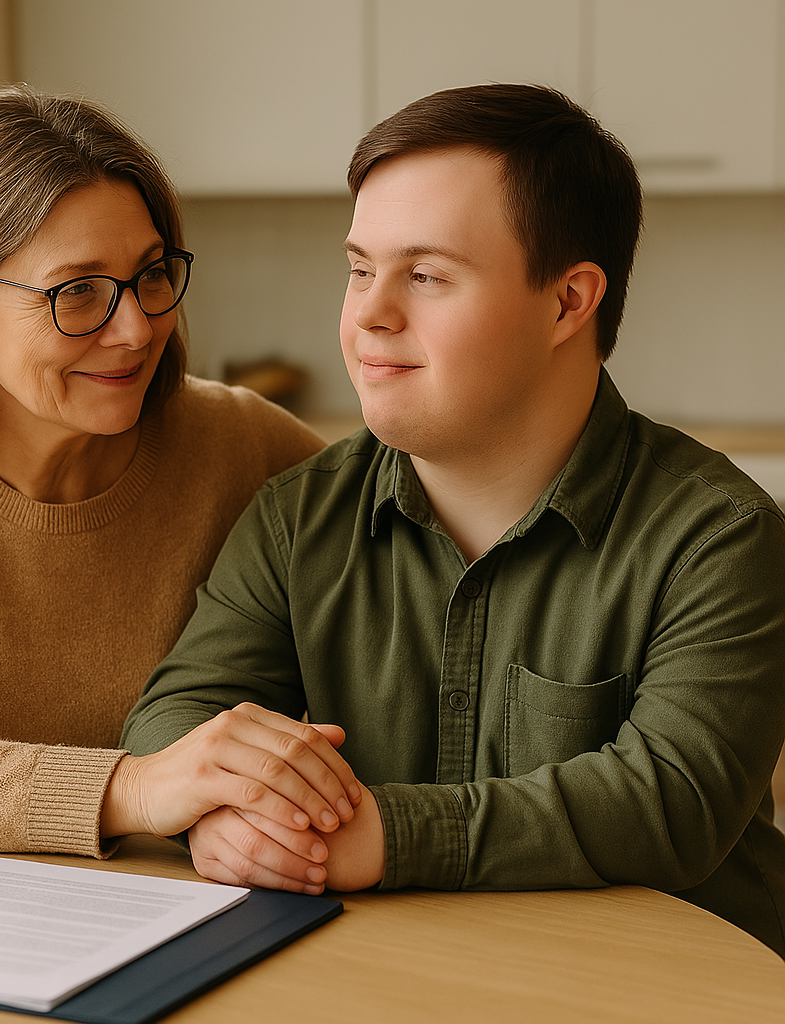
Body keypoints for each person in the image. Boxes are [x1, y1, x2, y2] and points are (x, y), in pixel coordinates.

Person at [121, 83, 785, 955]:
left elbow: (671, 800)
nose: (369, 315)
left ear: (567, 302)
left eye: (426, 275)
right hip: (391, 984)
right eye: (359, 269)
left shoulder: (720, 536)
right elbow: (179, 716)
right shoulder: (297, 515)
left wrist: (386, 837)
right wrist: (219, 814)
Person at [0, 83, 364, 859]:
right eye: (77, 292)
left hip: (190, 913)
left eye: (151, 274)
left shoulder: (246, 445)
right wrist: (135, 788)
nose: (136, 327)